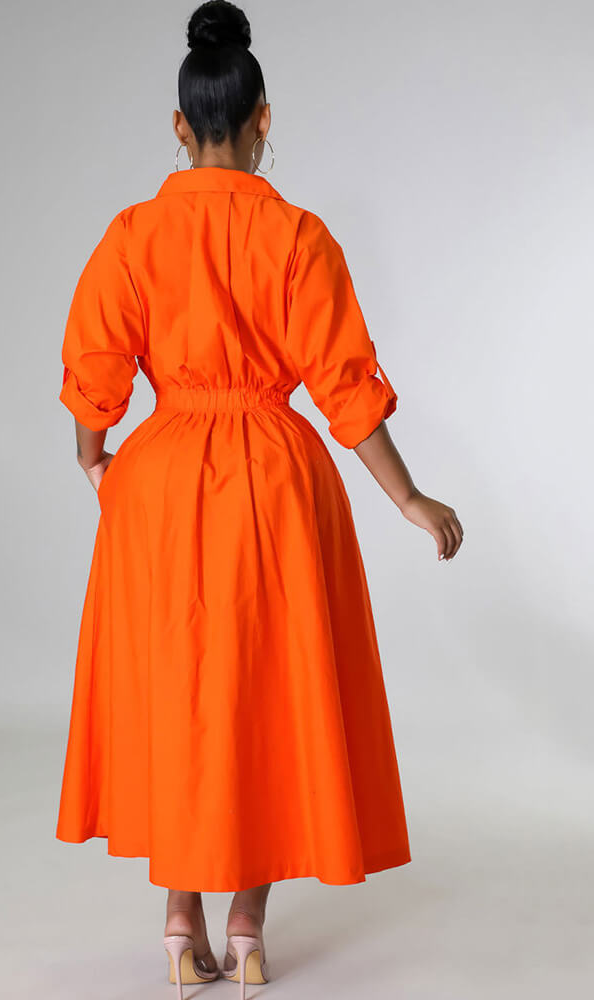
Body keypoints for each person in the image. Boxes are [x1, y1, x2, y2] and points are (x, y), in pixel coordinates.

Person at [55, 2, 463, 997]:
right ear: (263, 120)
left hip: (159, 483)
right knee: (266, 697)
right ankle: (245, 931)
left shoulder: (134, 234)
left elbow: (95, 368)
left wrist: (97, 460)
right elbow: (345, 388)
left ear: (179, 126)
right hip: (273, 482)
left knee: (179, 698)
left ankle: (176, 923)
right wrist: (408, 497)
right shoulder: (297, 237)